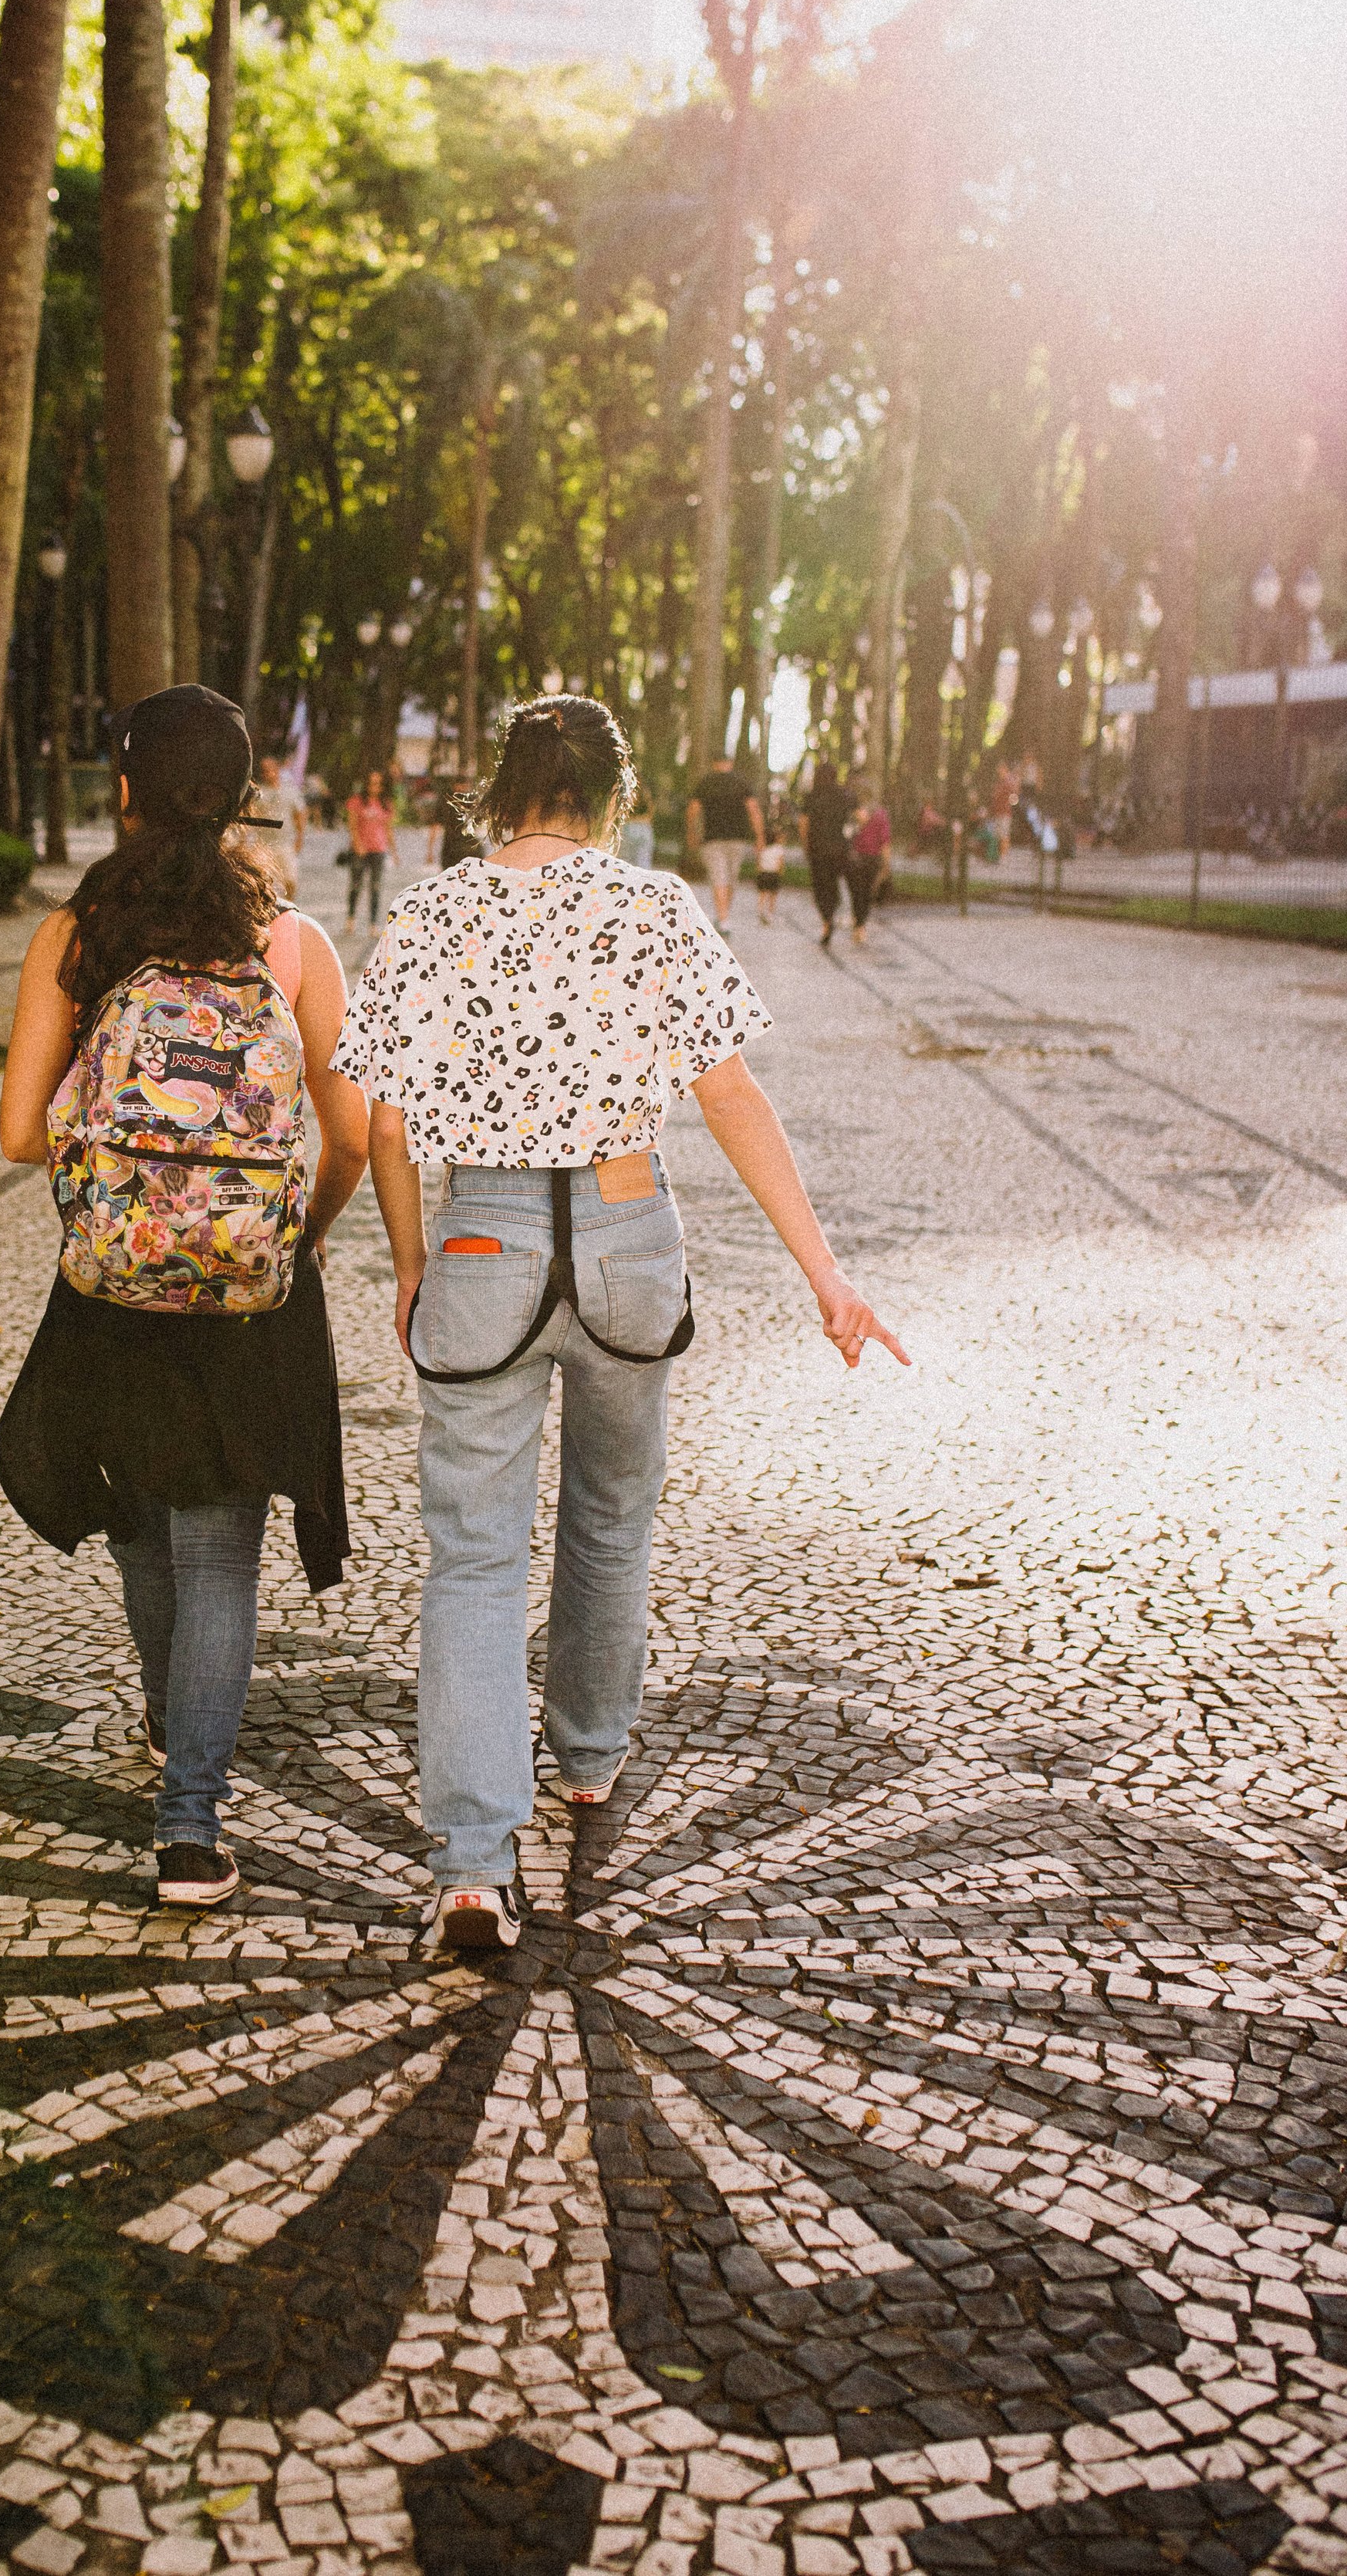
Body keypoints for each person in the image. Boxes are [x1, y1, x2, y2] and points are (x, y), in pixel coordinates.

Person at [333, 695, 908, 1953]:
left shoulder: (435, 910)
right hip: (628, 1235)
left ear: (503, 789)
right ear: (610, 799)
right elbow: (733, 1094)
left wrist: (413, 1262)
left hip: (482, 1240)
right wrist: (826, 1275)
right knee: (609, 1518)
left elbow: (379, 1117)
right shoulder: (654, 908)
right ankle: (588, 1757)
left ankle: (475, 1864)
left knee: (474, 1559)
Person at [0, 685, 370, 1908]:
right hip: (252, 1291)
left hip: (115, 1283)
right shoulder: (295, 943)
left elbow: (15, 1131)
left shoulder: (80, 930)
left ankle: (168, 1712)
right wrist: (291, 1230)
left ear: (125, 792)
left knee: (145, 1517)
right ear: (243, 794)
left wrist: (128, 1169)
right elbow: (356, 1133)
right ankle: (192, 1830)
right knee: (221, 1546)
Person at [686, 756, 765, 929]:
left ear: (715, 764)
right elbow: (754, 810)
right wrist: (760, 837)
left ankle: (723, 917)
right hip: (737, 839)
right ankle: (724, 917)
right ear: (730, 763)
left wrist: (691, 833)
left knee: (719, 877)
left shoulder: (706, 783)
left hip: (712, 839)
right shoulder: (742, 782)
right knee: (731, 878)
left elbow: (693, 810)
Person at [802, 760, 849, 947]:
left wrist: (806, 844)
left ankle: (827, 919)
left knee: (821, 884)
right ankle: (833, 909)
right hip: (839, 847)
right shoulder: (843, 795)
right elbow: (857, 817)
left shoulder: (812, 797)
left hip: (818, 847)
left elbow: (804, 823)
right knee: (834, 881)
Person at [247, 751, 306, 899]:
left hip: (286, 843)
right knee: (266, 882)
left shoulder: (290, 790)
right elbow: (252, 815)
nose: (267, 773)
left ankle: (289, 906)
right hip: (265, 845)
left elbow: (300, 813)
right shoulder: (258, 792)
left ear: (277, 769)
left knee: (291, 881)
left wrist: (300, 837)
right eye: (264, 770)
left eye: (270, 769)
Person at [345, 767, 397, 928]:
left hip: (378, 849)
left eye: (378, 784)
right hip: (361, 849)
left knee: (375, 887)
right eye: (372, 783)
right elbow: (352, 825)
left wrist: (394, 851)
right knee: (356, 885)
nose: (375, 787)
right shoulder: (357, 801)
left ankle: (373, 922)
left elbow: (388, 830)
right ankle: (351, 918)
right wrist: (357, 844)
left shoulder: (386, 804)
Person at [845, 793, 892, 946]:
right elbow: (885, 840)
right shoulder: (881, 814)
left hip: (855, 858)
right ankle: (860, 925)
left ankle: (858, 924)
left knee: (857, 893)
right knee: (865, 893)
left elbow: (846, 834)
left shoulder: (853, 814)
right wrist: (886, 863)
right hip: (871, 859)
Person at [755, 791, 787, 925]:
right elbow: (780, 862)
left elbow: (759, 861)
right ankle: (770, 912)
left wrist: (759, 869)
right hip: (773, 874)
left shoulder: (763, 849)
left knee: (762, 893)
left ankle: (761, 910)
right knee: (773, 894)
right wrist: (781, 870)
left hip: (763, 873)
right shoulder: (779, 849)